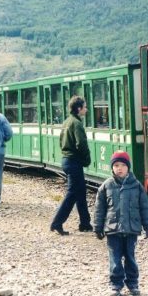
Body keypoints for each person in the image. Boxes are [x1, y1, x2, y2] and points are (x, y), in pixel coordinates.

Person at [93, 150, 148, 296]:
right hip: (113, 229)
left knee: (130, 258)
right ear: (112, 167)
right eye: (116, 165)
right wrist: (97, 227)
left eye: (123, 165)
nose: (119, 168)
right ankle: (115, 285)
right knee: (115, 259)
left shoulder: (137, 186)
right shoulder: (106, 186)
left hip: (131, 229)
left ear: (128, 167)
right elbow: (99, 209)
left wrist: (147, 225)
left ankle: (133, 284)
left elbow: (144, 207)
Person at [50, 96, 92, 236]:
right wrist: (87, 159)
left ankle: (85, 223)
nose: (86, 109)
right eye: (85, 107)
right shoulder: (77, 123)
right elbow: (81, 144)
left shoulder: (67, 121)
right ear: (79, 108)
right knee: (72, 193)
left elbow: (61, 141)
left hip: (67, 160)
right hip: (74, 161)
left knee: (81, 192)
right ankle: (57, 223)